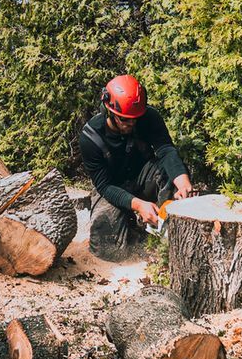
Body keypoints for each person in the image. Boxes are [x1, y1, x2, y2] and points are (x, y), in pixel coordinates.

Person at [77, 73, 194, 261]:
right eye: (125, 120)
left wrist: (182, 182)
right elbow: (104, 186)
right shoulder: (90, 138)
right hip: (112, 188)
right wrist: (138, 205)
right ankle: (136, 227)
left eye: (135, 119)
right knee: (107, 247)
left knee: (169, 174)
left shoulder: (149, 118)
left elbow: (165, 150)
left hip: (144, 177)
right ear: (110, 112)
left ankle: (168, 230)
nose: (132, 123)